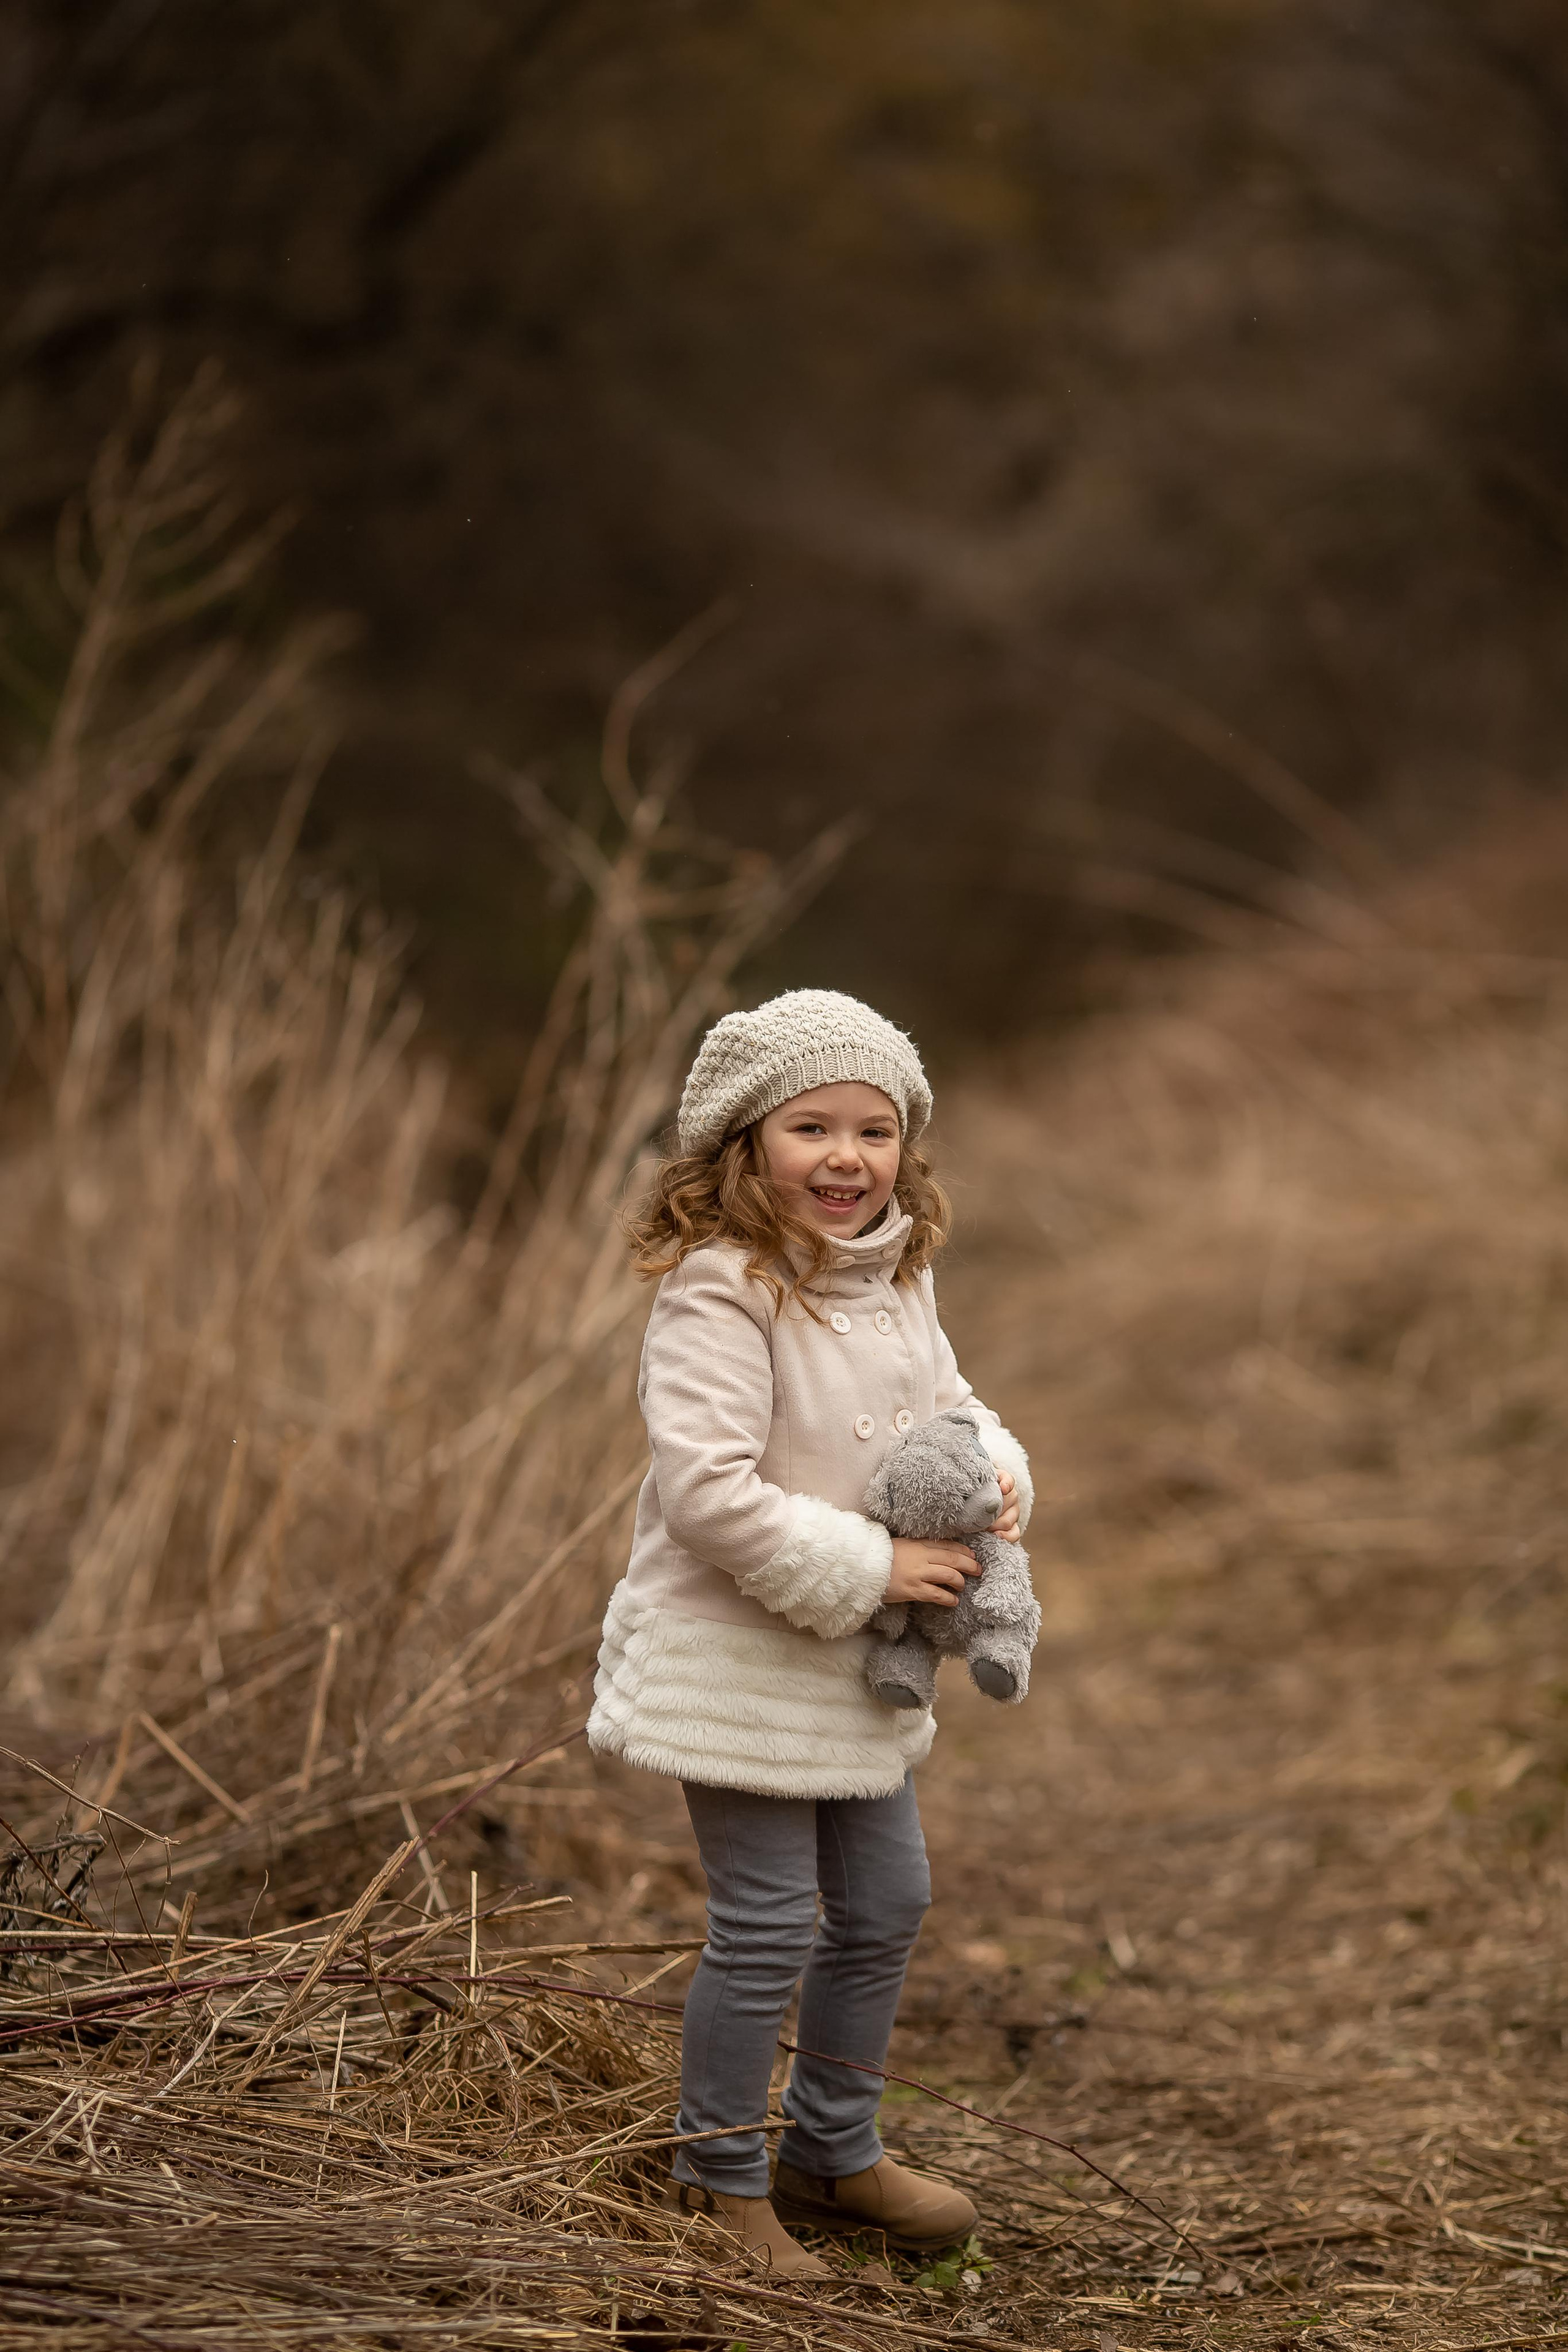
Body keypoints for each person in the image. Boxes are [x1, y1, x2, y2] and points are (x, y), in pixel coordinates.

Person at [588, 990, 1033, 2277]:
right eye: (810, 1128)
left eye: (874, 1129)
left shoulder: (898, 1275)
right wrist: (872, 1562)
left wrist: (994, 1473)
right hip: (739, 1658)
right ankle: (719, 2179)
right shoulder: (718, 1293)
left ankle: (832, 2151)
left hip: (846, 1663)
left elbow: (953, 1406)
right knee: (768, 1920)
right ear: (743, 1145)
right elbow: (706, 1490)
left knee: (888, 1897)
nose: (846, 1158)